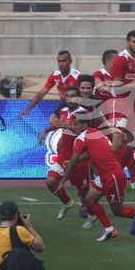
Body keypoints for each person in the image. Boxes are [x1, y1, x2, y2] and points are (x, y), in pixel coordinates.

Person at [62, 110, 135, 241]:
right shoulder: (95, 132)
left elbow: (73, 161)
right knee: (89, 199)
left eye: (77, 124)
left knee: (117, 211)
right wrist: (75, 161)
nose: (75, 127)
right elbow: (88, 155)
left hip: (112, 176)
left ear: (85, 125)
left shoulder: (82, 138)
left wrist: (62, 181)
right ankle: (109, 230)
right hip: (104, 176)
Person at [38, 86, 89, 219]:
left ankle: (86, 208)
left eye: (72, 96)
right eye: (67, 96)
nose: (69, 99)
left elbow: (81, 132)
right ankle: (67, 202)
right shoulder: (63, 110)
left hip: (78, 157)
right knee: (50, 181)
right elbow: (58, 125)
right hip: (63, 156)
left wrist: (65, 125)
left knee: (84, 190)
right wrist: (45, 131)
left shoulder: (83, 113)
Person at [111, 31, 135, 187]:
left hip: (132, 106)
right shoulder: (121, 60)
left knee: (132, 142)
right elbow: (117, 89)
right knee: (117, 142)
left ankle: (117, 172)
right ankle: (105, 172)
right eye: (134, 42)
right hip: (121, 105)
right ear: (127, 43)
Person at [18, 50, 81, 117]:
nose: (61, 64)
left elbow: (85, 96)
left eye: (64, 61)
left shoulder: (77, 76)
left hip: (77, 106)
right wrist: (28, 109)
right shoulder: (55, 75)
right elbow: (41, 93)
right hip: (64, 105)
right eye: (59, 61)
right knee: (53, 120)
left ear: (70, 62)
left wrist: (70, 95)